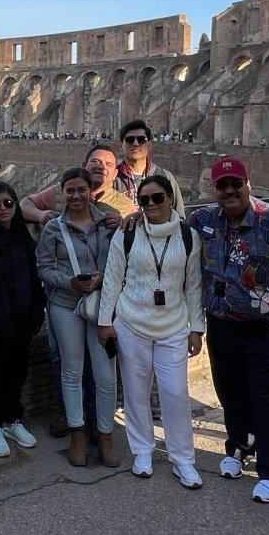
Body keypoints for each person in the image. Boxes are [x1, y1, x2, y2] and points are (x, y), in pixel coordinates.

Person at [186, 157, 269, 503]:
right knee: (231, 393)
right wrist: (133, 217)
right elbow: (166, 230)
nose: (229, 190)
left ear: (248, 184)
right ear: (214, 189)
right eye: (222, 185)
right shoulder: (201, 220)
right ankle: (239, 448)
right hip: (222, 323)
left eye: (236, 183)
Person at [97, 175, 205, 487]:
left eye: (158, 198)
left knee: (176, 393)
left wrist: (197, 328)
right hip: (132, 323)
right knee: (135, 392)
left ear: (170, 198)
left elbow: (193, 285)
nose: (151, 204)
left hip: (173, 325)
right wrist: (105, 322)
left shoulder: (188, 236)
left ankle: (183, 459)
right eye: (144, 200)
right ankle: (142, 451)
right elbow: (113, 278)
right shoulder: (127, 232)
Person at [20, 144, 133, 437]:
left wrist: (126, 224)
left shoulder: (122, 207)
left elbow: (134, 250)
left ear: (115, 172)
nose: (100, 167)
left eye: (108, 164)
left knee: (101, 367)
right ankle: (71, 416)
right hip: (63, 299)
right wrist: (42, 216)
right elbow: (25, 206)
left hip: (101, 301)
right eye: (95, 161)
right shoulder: (57, 196)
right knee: (65, 361)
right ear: (84, 165)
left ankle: (96, 420)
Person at [36, 167, 118, 468]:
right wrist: (69, 282)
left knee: (106, 375)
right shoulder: (53, 229)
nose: (75, 195)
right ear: (63, 193)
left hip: (101, 307)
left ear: (90, 191)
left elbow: (121, 262)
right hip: (65, 305)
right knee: (71, 372)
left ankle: (105, 435)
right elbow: (43, 268)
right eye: (70, 190)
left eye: (81, 189)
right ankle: (78, 434)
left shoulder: (108, 224)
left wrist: (101, 277)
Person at [0, 181, 46, 458]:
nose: (3, 209)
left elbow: (32, 278)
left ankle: (12, 419)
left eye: (8, 203)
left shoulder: (21, 237)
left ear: (16, 204)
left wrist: (36, 309)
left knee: (17, 373)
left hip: (22, 318)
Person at [113, 119, 186, 216]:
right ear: (121, 146)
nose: (135, 144)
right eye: (129, 140)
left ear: (149, 146)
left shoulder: (165, 176)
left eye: (141, 139)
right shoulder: (112, 177)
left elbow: (179, 214)